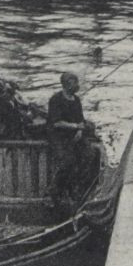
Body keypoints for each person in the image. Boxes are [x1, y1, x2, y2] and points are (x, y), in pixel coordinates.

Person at [47, 71, 97, 203]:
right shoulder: (56, 100)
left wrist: (79, 131)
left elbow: (80, 120)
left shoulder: (76, 100)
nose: (77, 85)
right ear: (67, 84)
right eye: (75, 82)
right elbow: (57, 123)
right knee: (68, 161)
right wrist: (76, 127)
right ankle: (56, 190)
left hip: (74, 135)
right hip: (59, 137)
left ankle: (78, 187)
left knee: (90, 154)